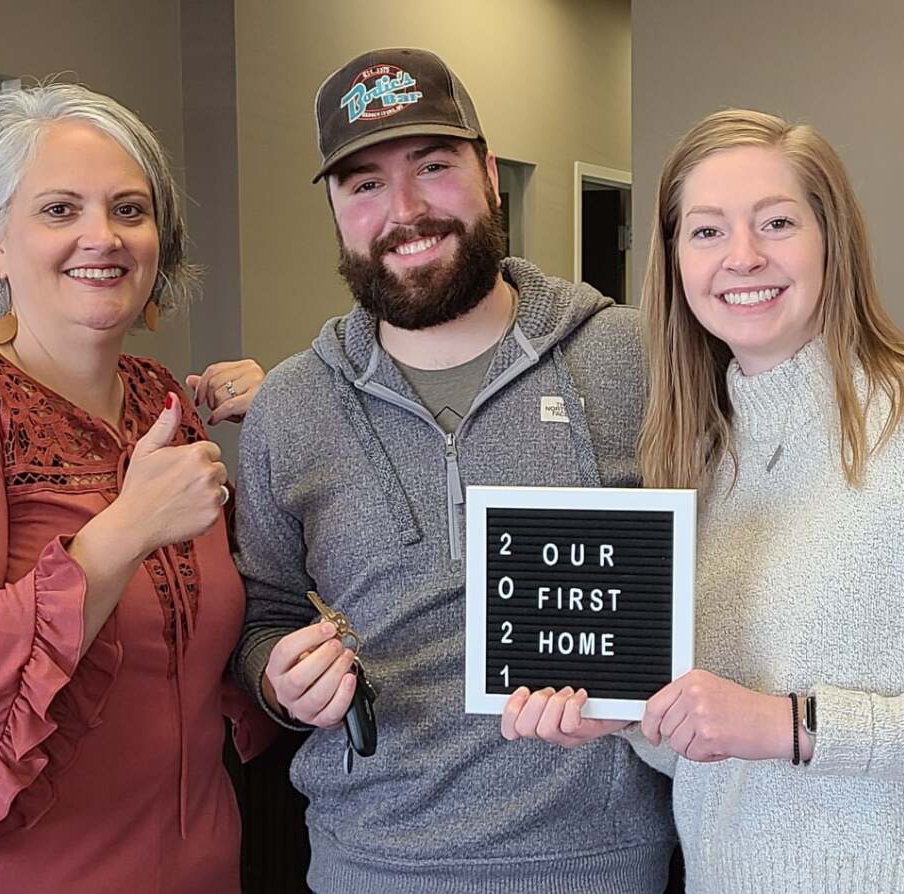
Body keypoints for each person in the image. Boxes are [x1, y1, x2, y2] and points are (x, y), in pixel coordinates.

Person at [502, 108, 904, 893]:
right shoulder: (692, 453)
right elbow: (713, 747)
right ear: (676, 259)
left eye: (777, 222)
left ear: (832, 241)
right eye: (707, 231)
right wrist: (625, 719)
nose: (742, 257)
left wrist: (795, 726)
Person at [228, 48, 673, 893]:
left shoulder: (633, 358)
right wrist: (279, 679)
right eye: (363, 185)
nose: (404, 210)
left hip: (601, 860)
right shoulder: (292, 405)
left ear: (491, 176)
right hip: (369, 861)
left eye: (432, 167)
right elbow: (264, 615)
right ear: (334, 210)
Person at [0, 83, 273, 891]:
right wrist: (124, 528)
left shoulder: (164, 404)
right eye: (58, 210)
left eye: (128, 209)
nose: (101, 237)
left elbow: (212, 628)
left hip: (194, 859)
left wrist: (296, 412)